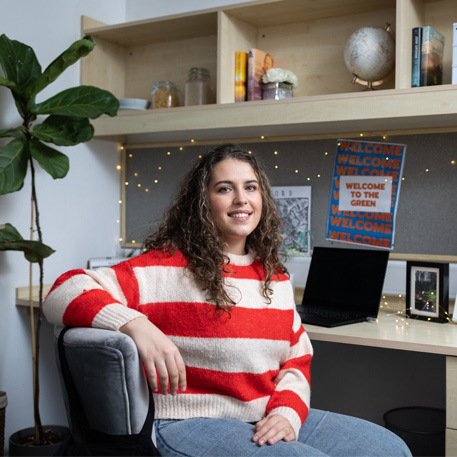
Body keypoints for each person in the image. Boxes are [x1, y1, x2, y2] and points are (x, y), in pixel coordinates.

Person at [44, 144, 411, 456]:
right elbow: (62, 291)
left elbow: (297, 361)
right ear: (202, 201)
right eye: (225, 188)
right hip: (185, 422)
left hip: (262, 414)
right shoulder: (163, 268)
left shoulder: (276, 278)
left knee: (390, 449)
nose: (241, 199)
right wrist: (135, 324)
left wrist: (287, 412)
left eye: (250, 187)